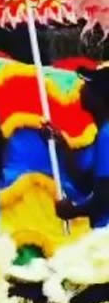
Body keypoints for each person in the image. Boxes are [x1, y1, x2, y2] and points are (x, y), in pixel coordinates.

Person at [48, 67, 109, 227]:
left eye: (88, 84)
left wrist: (72, 211)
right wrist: (63, 146)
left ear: (101, 98)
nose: (81, 87)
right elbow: (86, 184)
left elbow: (105, 197)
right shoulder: (102, 134)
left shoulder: (106, 135)